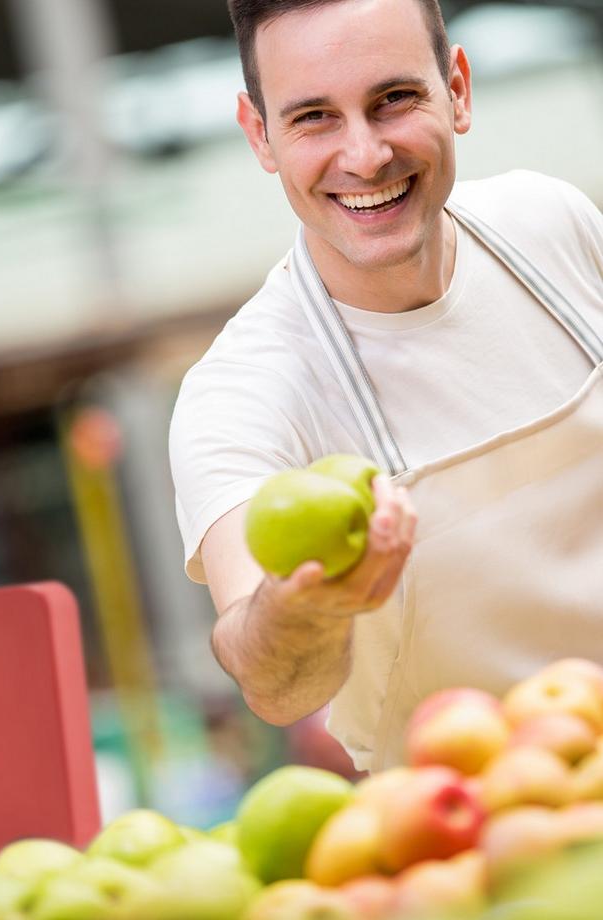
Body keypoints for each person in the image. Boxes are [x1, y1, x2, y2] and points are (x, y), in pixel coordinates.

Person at [169, 0, 603, 771]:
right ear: (259, 135)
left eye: (393, 99)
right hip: (480, 843)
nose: (365, 156)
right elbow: (271, 682)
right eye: (313, 118)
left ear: (458, 89)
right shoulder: (241, 394)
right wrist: (306, 608)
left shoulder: (554, 224)